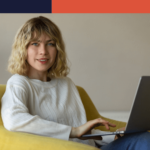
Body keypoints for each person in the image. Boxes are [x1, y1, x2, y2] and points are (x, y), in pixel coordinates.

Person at [1, 16, 150, 150]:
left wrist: (114, 136)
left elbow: (82, 134)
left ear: (57, 49)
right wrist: (74, 131)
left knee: (143, 137)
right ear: (23, 48)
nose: (43, 51)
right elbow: (14, 120)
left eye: (50, 44)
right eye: (35, 43)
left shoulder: (66, 84)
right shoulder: (19, 82)